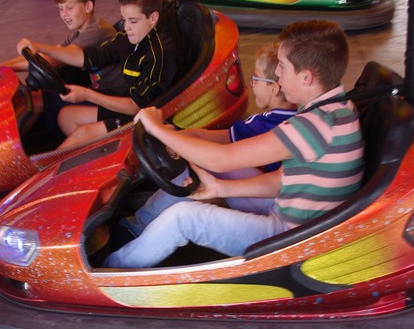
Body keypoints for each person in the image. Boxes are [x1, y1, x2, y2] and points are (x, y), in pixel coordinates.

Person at [103, 20, 363, 269]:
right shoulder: (337, 108)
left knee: (183, 218)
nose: (278, 75)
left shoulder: (314, 126)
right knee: (200, 165)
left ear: (306, 77)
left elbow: (220, 160)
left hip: (292, 239)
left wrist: (156, 128)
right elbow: (281, 179)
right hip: (289, 210)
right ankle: (137, 228)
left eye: (282, 66)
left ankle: (108, 274)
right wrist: (221, 187)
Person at [119, 42, 296, 239]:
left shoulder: (265, 124)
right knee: (198, 164)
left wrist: (162, 132)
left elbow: (216, 155)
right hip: (274, 195)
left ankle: (138, 225)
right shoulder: (287, 117)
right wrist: (172, 136)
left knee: (197, 165)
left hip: (272, 204)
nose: (251, 83)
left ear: (274, 88)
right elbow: (207, 137)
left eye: (255, 78)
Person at [16, 0, 181, 150]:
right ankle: (90, 154)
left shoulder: (159, 54)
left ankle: (60, 164)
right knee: (65, 117)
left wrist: (87, 94)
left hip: (145, 115)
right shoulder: (129, 39)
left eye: (133, 21)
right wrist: (40, 47)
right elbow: (88, 57)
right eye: (124, 20)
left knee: (83, 133)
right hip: (126, 99)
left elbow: (134, 106)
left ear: (153, 18)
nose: (126, 27)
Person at [0, 0, 116, 84]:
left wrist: (4, 70)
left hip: (109, 92)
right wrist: (0, 67)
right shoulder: (79, 33)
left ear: (88, 6)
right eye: (60, 8)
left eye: (69, 7)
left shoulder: (96, 31)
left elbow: (55, 59)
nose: (64, 14)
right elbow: (48, 54)